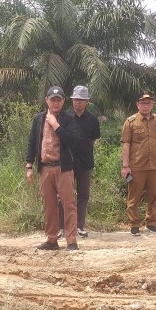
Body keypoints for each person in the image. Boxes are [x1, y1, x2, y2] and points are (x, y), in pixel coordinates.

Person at [25, 86, 79, 251]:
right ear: (46, 100)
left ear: (63, 101)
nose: (55, 103)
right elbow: (32, 142)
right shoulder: (39, 119)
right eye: (52, 99)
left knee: (68, 204)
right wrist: (29, 166)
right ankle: (52, 239)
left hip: (63, 168)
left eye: (59, 100)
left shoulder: (69, 119)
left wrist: (56, 125)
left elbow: (72, 141)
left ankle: (71, 241)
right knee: (49, 205)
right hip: (45, 168)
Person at [120, 91, 156, 235]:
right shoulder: (131, 122)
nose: (146, 106)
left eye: (149, 103)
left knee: (154, 194)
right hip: (137, 166)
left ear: (152, 104)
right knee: (134, 195)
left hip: (155, 166)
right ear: (138, 105)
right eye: (143, 103)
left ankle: (151, 222)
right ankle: (134, 224)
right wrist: (125, 165)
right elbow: (126, 144)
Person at [58, 85, 100, 239]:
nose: (78, 103)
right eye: (76, 99)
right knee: (63, 195)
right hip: (67, 162)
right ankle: (61, 227)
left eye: (81, 100)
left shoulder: (92, 119)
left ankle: (80, 226)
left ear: (87, 101)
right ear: (72, 100)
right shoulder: (64, 117)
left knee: (83, 195)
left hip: (85, 162)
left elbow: (93, 140)